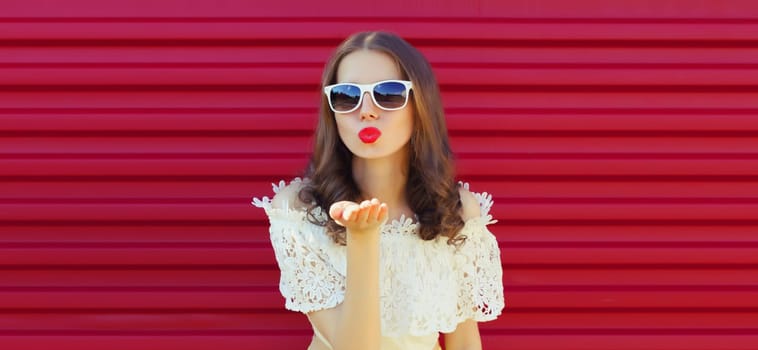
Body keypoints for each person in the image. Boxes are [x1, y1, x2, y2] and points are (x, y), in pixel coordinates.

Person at [252, 31, 504, 350]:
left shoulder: (456, 211)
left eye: (388, 94)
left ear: (420, 105)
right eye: (346, 96)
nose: (367, 111)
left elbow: (465, 341)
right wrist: (362, 239)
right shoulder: (299, 211)